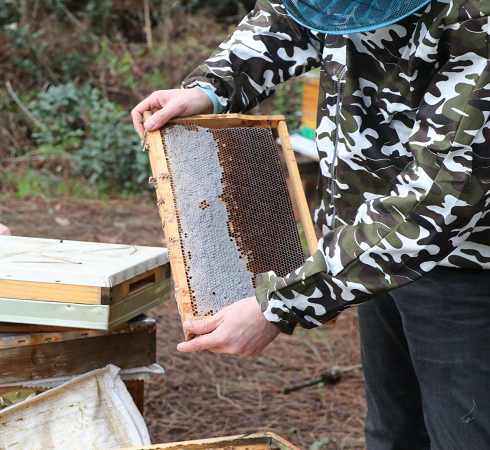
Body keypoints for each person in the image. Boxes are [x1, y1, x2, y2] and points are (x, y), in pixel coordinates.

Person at [131, 0, 490, 448]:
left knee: (465, 435)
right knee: (394, 435)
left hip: (465, 268)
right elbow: (290, 15)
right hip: (363, 248)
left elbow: (441, 195)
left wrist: (282, 303)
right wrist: (212, 87)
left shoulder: (478, 19)